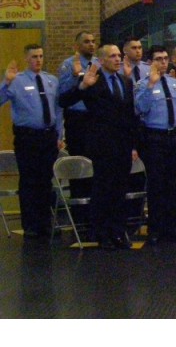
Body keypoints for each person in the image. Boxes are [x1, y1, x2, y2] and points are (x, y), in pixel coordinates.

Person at [76, 44, 139, 250]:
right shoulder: (92, 80)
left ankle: (118, 232)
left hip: (122, 145)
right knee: (104, 189)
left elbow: (129, 115)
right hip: (102, 145)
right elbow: (64, 100)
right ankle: (101, 233)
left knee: (120, 189)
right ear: (101, 60)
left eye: (119, 56)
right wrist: (84, 86)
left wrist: (132, 145)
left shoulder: (126, 81)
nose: (117, 59)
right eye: (112, 56)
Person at [0, 45, 63, 239]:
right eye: (34, 56)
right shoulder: (16, 81)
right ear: (26, 59)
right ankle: (31, 224)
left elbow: (58, 109)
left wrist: (60, 135)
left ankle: (46, 222)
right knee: (29, 180)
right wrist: (5, 82)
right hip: (28, 137)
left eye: (41, 56)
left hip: (49, 136)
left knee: (45, 180)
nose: (38, 60)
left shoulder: (51, 80)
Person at [135, 45, 176, 244]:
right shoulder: (143, 84)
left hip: (174, 136)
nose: (163, 62)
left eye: (166, 58)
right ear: (150, 62)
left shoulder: (175, 84)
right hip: (154, 137)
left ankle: (173, 227)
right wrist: (151, 85)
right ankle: (156, 229)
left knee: (174, 183)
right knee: (157, 184)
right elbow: (140, 109)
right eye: (158, 59)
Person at [57, 31, 97, 199]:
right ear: (77, 46)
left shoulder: (97, 64)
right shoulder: (68, 65)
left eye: (93, 41)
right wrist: (75, 76)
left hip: (95, 118)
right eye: (87, 41)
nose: (91, 44)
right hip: (77, 119)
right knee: (79, 166)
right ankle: (79, 214)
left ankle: (93, 212)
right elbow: (63, 94)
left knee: (95, 165)